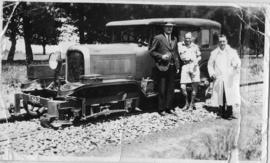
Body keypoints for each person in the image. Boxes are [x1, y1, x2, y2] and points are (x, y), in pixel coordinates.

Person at [149, 22, 180, 116]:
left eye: (171, 27)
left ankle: (169, 108)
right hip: (162, 67)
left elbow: (175, 53)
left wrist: (177, 66)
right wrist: (161, 56)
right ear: (164, 28)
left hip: (172, 67)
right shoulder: (158, 38)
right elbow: (151, 51)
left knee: (171, 89)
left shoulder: (174, 38)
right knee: (162, 89)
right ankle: (161, 109)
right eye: (167, 27)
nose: (169, 28)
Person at [207, 34, 241, 119]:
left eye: (224, 41)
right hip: (219, 77)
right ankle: (221, 112)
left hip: (229, 77)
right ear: (218, 42)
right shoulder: (214, 53)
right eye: (220, 41)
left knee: (229, 95)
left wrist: (236, 64)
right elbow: (210, 65)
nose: (222, 43)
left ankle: (229, 113)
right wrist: (212, 73)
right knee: (220, 95)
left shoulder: (232, 51)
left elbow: (237, 61)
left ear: (226, 41)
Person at [178, 32, 201, 111]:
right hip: (185, 66)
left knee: (194, 86)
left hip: (194, 66)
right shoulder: (180, 45)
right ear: (184, 38)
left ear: (191, 38)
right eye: (186, 38)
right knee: (182, 87)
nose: (187, 39)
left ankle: (191, 104)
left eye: (189, 38)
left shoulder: (195, 46)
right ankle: (186, 103)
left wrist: (196, 62)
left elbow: (199, 56)